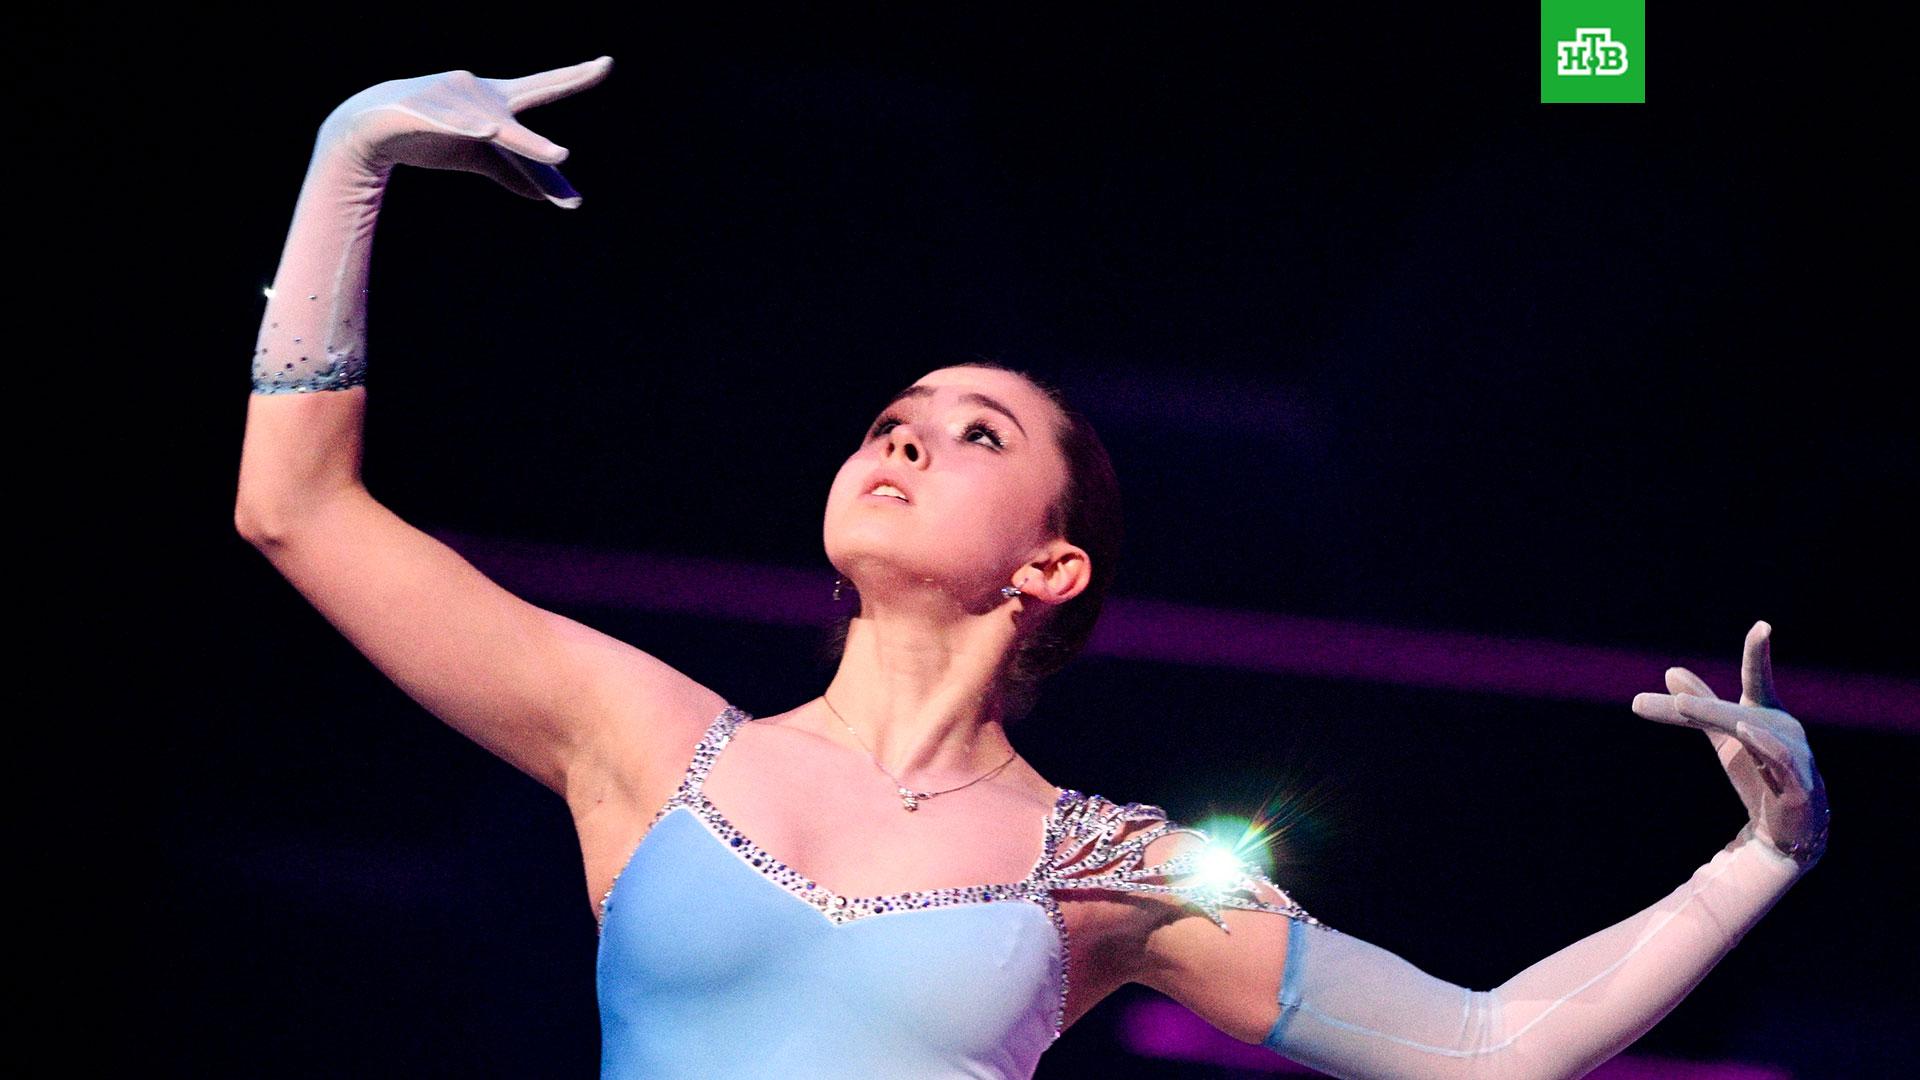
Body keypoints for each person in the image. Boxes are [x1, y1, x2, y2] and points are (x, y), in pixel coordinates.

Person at [234, 59, 1831, 1080]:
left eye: (975, 434)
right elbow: (295, 508)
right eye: (892, 422)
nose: (905, 441)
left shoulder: (1118, 870)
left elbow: (1480, 1048)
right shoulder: (645, 739)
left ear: (1051, 567)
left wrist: (1756, 861)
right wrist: (346, 159)